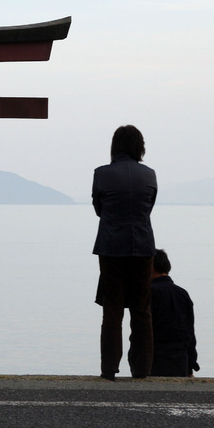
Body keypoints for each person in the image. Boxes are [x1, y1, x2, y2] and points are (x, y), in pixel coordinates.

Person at [92, 124, 157, 380]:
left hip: (110, 246)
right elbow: (148, 208)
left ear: (114, 146)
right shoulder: (150, 175)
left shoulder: (101, 174)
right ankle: (142, 370)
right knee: (142, 310)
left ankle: (109, 369)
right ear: (139, 147)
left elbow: (99, 208)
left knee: (112, 310)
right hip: (142, 245)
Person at [150, 249, 199, 377]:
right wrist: (190, 366)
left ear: (151, 267)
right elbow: (189, 333)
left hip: (153, 360)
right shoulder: (182, 294)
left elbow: (141, 332)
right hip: (180, 360)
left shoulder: (148, 293)